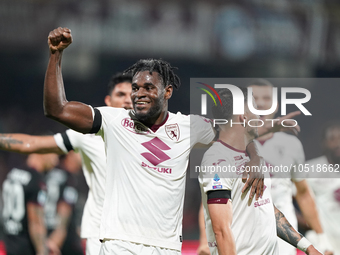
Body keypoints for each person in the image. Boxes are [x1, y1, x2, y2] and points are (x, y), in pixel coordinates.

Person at [43, 27, 266, 254]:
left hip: (166, 247)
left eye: (149, 88)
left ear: (167, 92)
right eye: (136, 88)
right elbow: (57, 109)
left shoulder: (190, 126)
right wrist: (55, 55)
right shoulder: (114, 120)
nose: (140, 93)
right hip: (119, 244)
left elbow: (237, 131)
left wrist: (255, 157)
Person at [0, 71, 133, 255]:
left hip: (139, 235)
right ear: (108, 101)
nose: (127, 100)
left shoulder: (152, 136)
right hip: (101, 236)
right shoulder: (89, 136)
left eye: (132, 95)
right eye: (121, 94)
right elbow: (32, 142)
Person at [198, 88, 322, 255]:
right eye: (255, 110)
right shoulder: (217, 162)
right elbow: (221, 231)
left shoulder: (251, 157)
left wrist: (308, 247)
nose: (259, 117)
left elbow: (267, 209)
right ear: (244, 117)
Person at [249, 79, 332, 255]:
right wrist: (205, 240)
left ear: (276, 105)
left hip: (284, 239)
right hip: (245, 233)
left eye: (266, 98)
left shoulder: (292, 144)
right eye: (254, 98)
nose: (261, 103)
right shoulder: (231, 145)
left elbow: (303, 193)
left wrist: (321, 238)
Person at [2, 153, 51, 255]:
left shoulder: (12, 173)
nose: (56, 160)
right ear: (43, 152)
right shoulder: (36, 179)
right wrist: (42, 250)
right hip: (25, 246)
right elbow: (36, 222)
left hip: (7, 242)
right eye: (54, 154)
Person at [305, 121, 340, 254]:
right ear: (324, 142)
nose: (337, 143)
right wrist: (310, 223)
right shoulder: (310, 169)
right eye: (332, 139)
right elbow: (288, 198)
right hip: (324, 243)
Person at [45, 151, 83, 255]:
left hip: (46, 234)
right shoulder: (69, 178)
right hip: (64, 244)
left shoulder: (49, 172)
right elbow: (64, 211)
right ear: (70, 153)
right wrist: (55, 241)